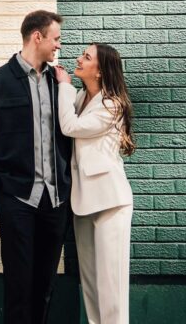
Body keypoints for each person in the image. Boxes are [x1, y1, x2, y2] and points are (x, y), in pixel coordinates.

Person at [0, 10, 72, 324]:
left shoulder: (59, 84)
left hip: (55, 202)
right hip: (16, 201)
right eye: (55, 39)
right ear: (36, 36)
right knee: (18, 284)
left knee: (45, 285)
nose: (58, 46)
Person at [54, 44, 135, 324]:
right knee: (90, 286)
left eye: (86, 57)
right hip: (83, 203)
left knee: (111, 287)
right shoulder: (80, 99)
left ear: (100, 71)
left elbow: (71, 127)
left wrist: (63, 85)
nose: (79, 59)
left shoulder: (113, 105)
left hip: (111, 203)